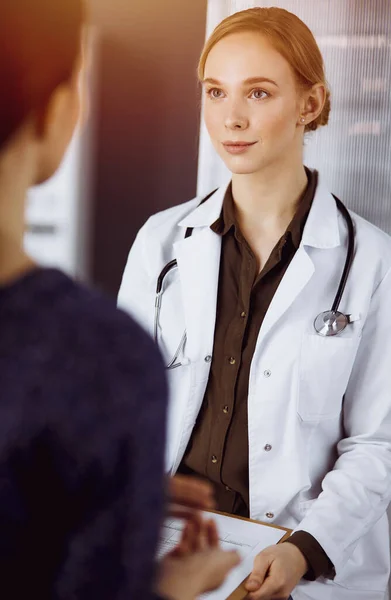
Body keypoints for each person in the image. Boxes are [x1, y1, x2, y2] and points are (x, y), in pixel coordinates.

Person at [118, 7, 391, 600]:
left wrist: (302, 550)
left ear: (310, 104)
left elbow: (378, 444)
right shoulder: (161, 243)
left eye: (259, 92)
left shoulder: (372, 263)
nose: (231, 118)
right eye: (215, 92)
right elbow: (122, 409)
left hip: (297, 550)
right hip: (176, 543)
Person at [0, 1, 240, 598]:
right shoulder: (97, 359)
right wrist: (167, 588)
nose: (235, 117)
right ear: (55, 110)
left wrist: (91, 482)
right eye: (216, 92)